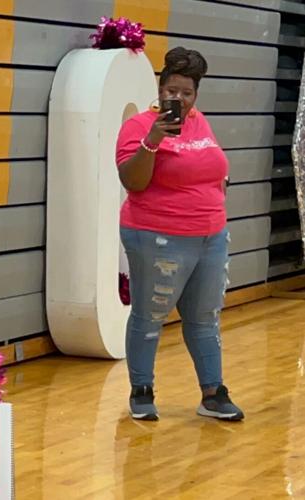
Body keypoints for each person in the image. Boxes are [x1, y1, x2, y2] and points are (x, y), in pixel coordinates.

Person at [116, 47, 244, 421]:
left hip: (210, 235)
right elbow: (133, 181)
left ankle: (212, 393)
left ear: (195, 96)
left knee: (205, 317)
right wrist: (153, 140)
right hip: (157, 235)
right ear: (160, 89)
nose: (179, 99)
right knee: (149, 315)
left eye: (186, 93)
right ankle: (142, 391)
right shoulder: (139, 126)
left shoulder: (200, 121)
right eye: (172, 91)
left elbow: (214, 165)